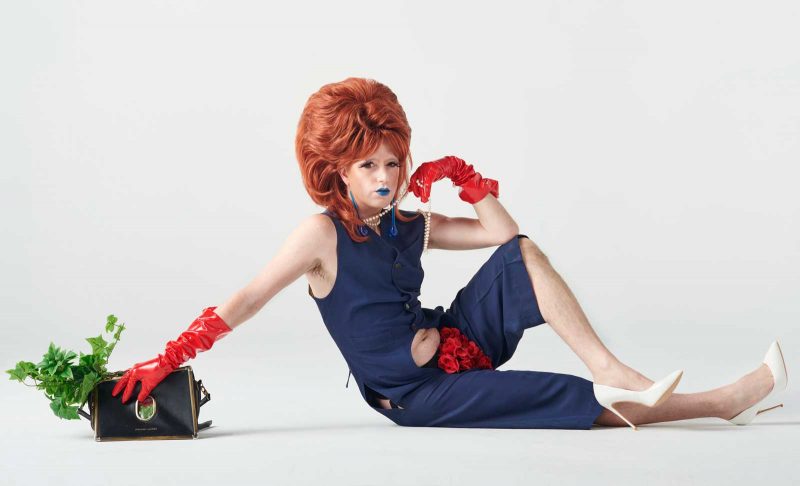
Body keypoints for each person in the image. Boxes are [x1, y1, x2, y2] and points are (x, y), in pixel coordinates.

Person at [112, 77, 787, 430]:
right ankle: (720, 403)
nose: (385, 177)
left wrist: (464, 176)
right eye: (367, 165)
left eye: (393, 161)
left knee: (523, 253)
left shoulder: (409, 218)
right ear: (335, 171)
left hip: (456, 342)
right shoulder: (320, 237)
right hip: (418, 395)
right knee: (566, 399)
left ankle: (613, 366)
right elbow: (248, 299)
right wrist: (169, 357)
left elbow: (503, 235)